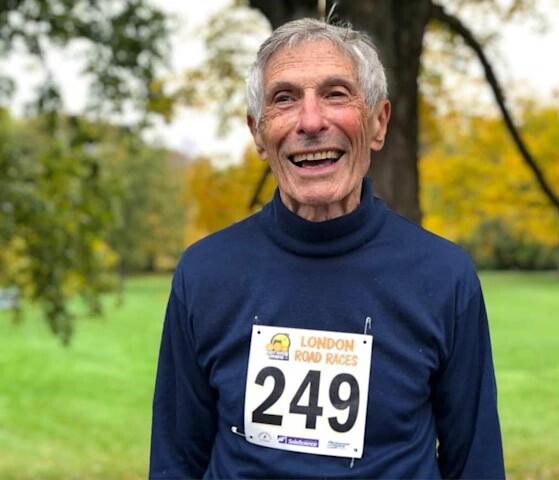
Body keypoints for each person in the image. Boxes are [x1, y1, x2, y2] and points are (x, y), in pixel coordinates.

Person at [150, 18, 504, 479]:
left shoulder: (444, 277)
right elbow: (175, 463)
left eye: (336, 94)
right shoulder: (204, 274)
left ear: (378, 123)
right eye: (284, 99)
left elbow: (476, 464)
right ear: (258, 133)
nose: (311, 122)